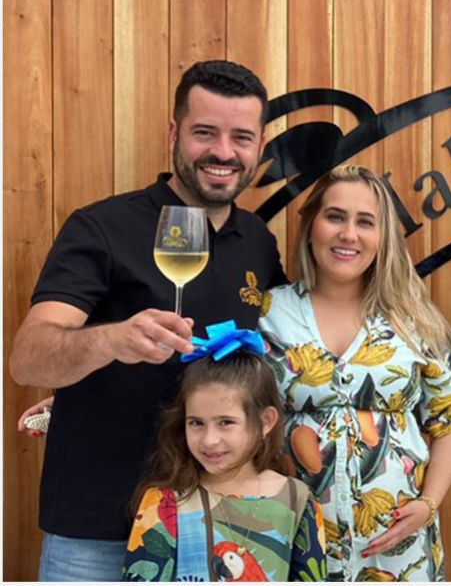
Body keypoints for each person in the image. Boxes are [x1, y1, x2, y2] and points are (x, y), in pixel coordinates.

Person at [7, 60, 285, 581]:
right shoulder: (103, 227)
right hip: (99, 531)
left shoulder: (258, 242)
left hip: (218, 529)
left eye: (241, 137)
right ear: (173, 134)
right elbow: (27, 359)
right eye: (205, 132)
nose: (224, 152)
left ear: (260, 146)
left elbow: (274, 358)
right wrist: (112, 341)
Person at [259, 165, 451, 581]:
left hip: (396, 548)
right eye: (335, 217)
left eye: (365, 222)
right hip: (294, 540)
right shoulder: (269, 313)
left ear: (383, 237)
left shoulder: (413, 319)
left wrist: (428, 504)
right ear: (311, 225)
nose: (348, 234)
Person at [122, 323, 327, 581]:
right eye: (196, 423)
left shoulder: (298, 501)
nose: (209, 440)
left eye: (226, 422)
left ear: (266, 421)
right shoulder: (165, 502)